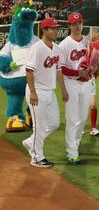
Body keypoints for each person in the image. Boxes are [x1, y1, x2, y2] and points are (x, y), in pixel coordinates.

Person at [22, 18, 69, 167]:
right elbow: (29, 71)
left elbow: (59, 70)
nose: (56, 31)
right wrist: (33, 92)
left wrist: (63, 89)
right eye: (52, 28)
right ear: (44, 30)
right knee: (39, 126)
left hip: (50, 91)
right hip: (37, 91)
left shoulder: (57, 48)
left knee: (54, 123)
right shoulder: (37, 48)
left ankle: (31, 142)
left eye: (56, 28)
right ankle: (36, 157)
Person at [60, 12, 98, 164]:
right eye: (74, 24)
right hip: (71, 82)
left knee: (82, 117)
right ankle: (71, 152)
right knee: (72, 118)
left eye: (80, 23)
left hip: (86, 82)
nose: (77, 26)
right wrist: (77, 72)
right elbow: (61, 69)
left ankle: (75, 143)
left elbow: (95, 60)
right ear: (69, 25)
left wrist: (95, 68)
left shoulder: (89, 41)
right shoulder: (64, 44)